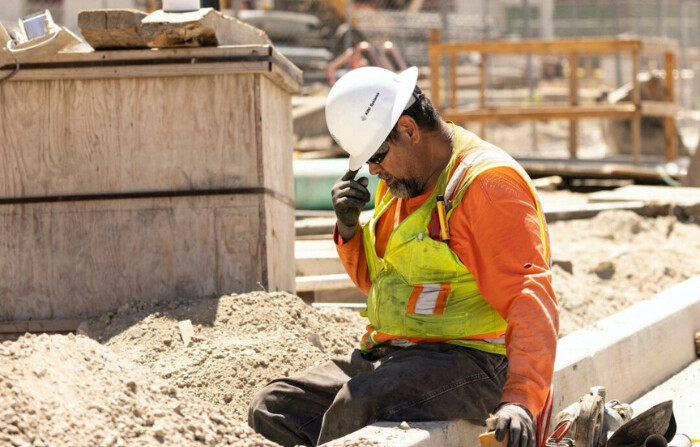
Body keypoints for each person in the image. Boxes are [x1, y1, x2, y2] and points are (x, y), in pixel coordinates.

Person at [248, 66, 559, 447]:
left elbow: (530, 294)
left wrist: (521, 400)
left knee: (357, 403)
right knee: (273, 407)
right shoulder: (402, 182)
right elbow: (384, 285)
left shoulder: (486, 186)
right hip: (397, 354)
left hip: (476, 361)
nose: (374, 170)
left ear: (409, 130)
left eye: (377, 155)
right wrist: (349, 230)